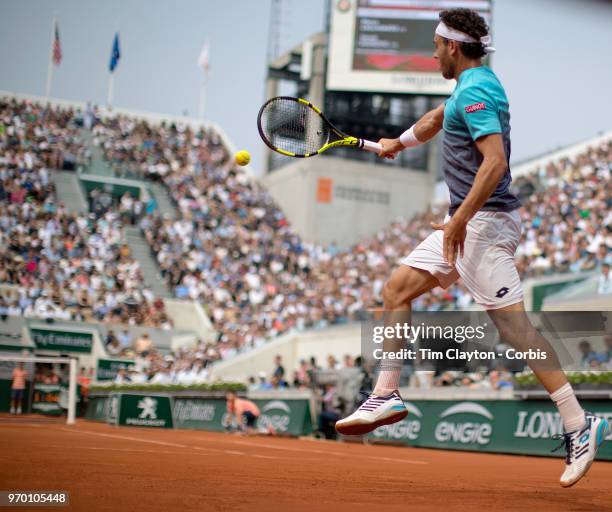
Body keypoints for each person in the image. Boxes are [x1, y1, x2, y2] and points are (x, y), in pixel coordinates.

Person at [335, 8, 608, 488]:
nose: (433, 53)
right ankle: (386, 392)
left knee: (515, 331)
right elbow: (439, 117)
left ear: (453, 48)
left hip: (482, 223)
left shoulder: (478, 89)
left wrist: (458, 221)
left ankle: (578, 422)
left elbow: (495, 163)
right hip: (466, 221)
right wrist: (395, 142)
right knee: (396, 289)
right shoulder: (468, 87)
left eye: (437, 46)